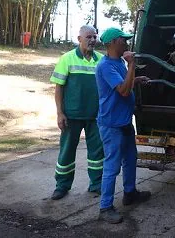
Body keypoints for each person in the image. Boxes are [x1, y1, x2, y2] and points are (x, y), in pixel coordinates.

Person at [95, 27, 151, 224]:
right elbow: (124, 91)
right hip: (112, 125)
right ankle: (105, 207)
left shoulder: (117, 62)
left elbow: (124, 83)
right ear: (112, 43)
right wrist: (132, 64)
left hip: (124, 121)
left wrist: (135, 79)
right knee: (111, 166)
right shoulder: (105, 66)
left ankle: (130, 193)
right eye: (123, 40)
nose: (127, 43)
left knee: (130, 159)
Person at [50, 25, 104, 200]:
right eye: (88, 37)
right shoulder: (67, 59)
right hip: (71, 116)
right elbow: (59, 88)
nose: (92, 40)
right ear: (79, 38)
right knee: (66, 151)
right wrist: (60, 113)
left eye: (95, 37)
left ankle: (96, 185)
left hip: (95, 116)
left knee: (97, 153)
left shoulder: (101, 60)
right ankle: (62, 186)